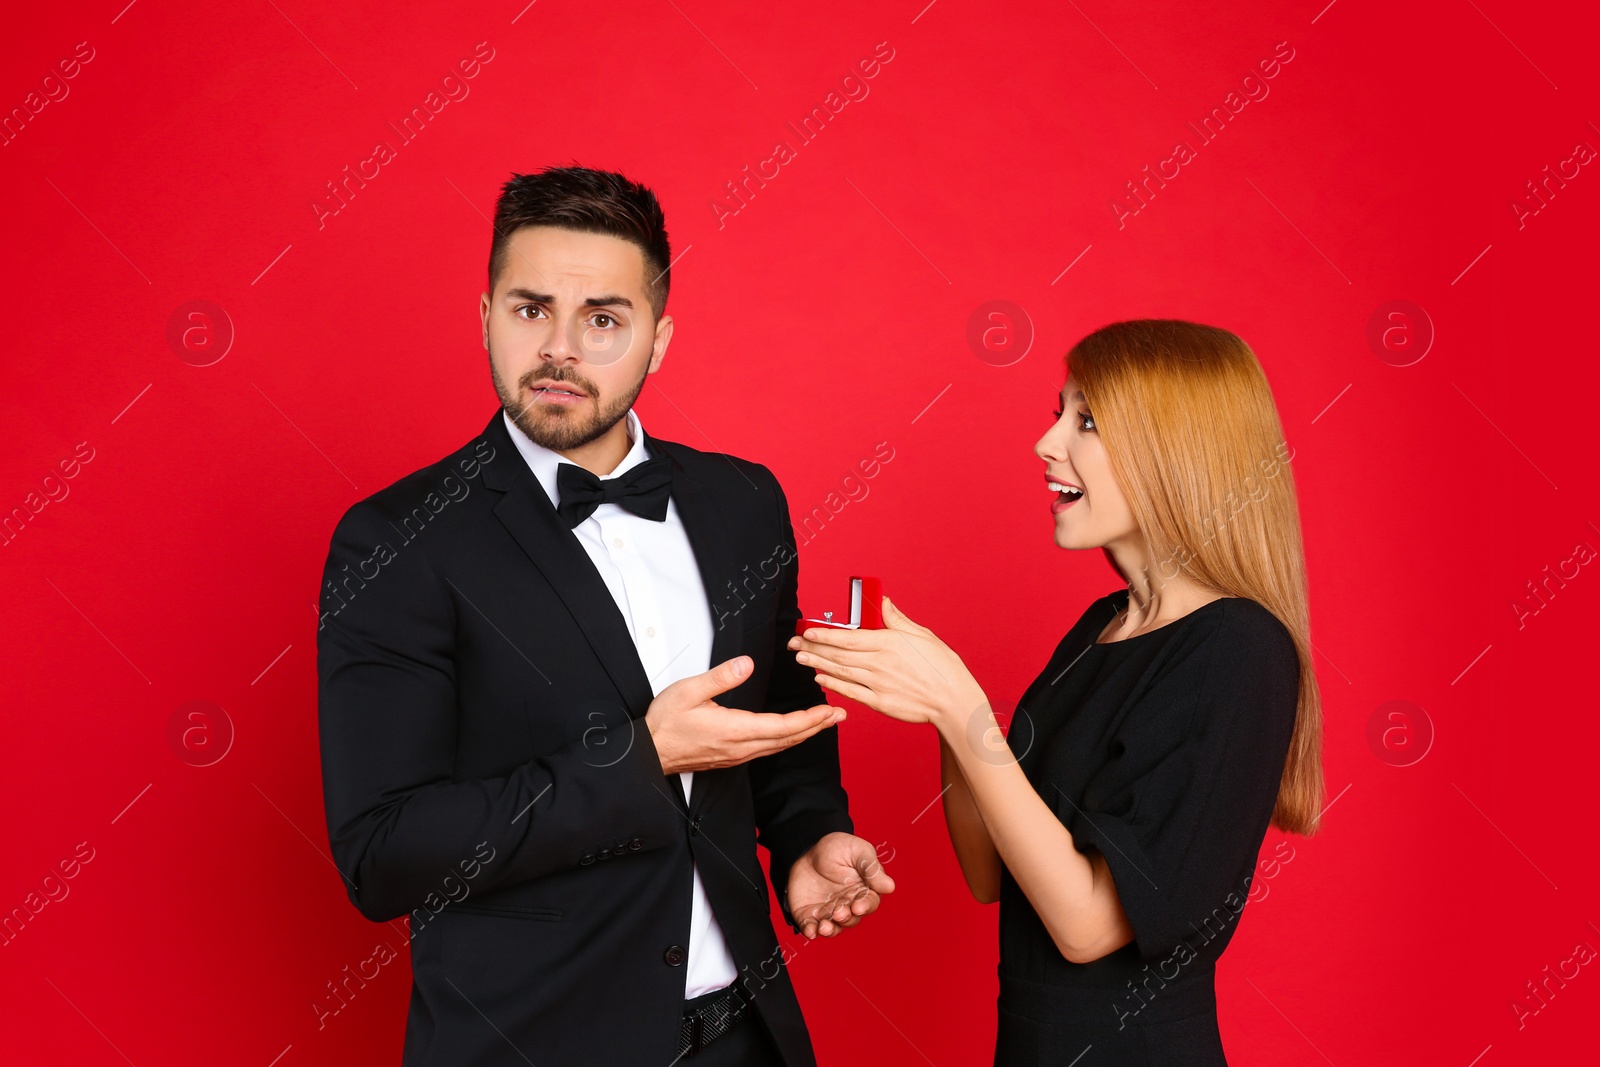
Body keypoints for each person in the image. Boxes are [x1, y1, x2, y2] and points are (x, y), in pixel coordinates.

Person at [316, 165, 893, 1066]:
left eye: (604, 320)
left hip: (746, 1033)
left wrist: (807, 839)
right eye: (530, 308)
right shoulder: (399, 540)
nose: (560, 350)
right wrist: (643, 757)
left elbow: (778, 721)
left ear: (659, 341)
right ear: (485, 316)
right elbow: (384, 853)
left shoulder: (744, 501)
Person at [791, 319, 1323, 1065]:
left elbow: (1088, 925)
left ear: (1179, 450)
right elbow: (988, 873)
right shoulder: (1099, 628)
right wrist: (940, 703)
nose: (1047, 443)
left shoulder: (1236, 647)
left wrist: (958, 700)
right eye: (1059, 412)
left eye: (1089, 420)